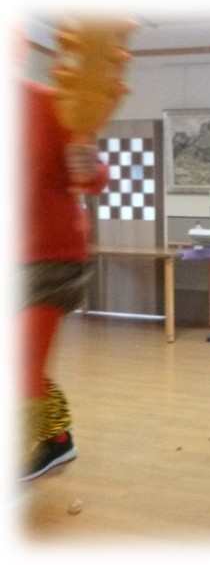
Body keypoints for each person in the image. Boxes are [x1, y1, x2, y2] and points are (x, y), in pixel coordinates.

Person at [19, 77, 109, 481]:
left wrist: (88, 167)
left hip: (50, 261)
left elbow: (95, 176)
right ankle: (55, 436)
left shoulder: (48, 102)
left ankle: (50, 442)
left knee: (22, 364)